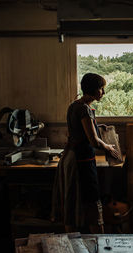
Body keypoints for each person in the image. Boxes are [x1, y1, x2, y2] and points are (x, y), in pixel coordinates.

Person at [52, 73, 118, 233]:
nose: (103, 92)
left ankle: (72, 245)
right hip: (80, 161)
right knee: (91, 199)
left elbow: (77, 131)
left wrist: (96, 127)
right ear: (94, 90)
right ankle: (101, 245)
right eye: (102, 89)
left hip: (70, 157)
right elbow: (94, 141)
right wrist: (109, 147)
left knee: (71, 201)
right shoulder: (84, 110)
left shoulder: (74, 105)